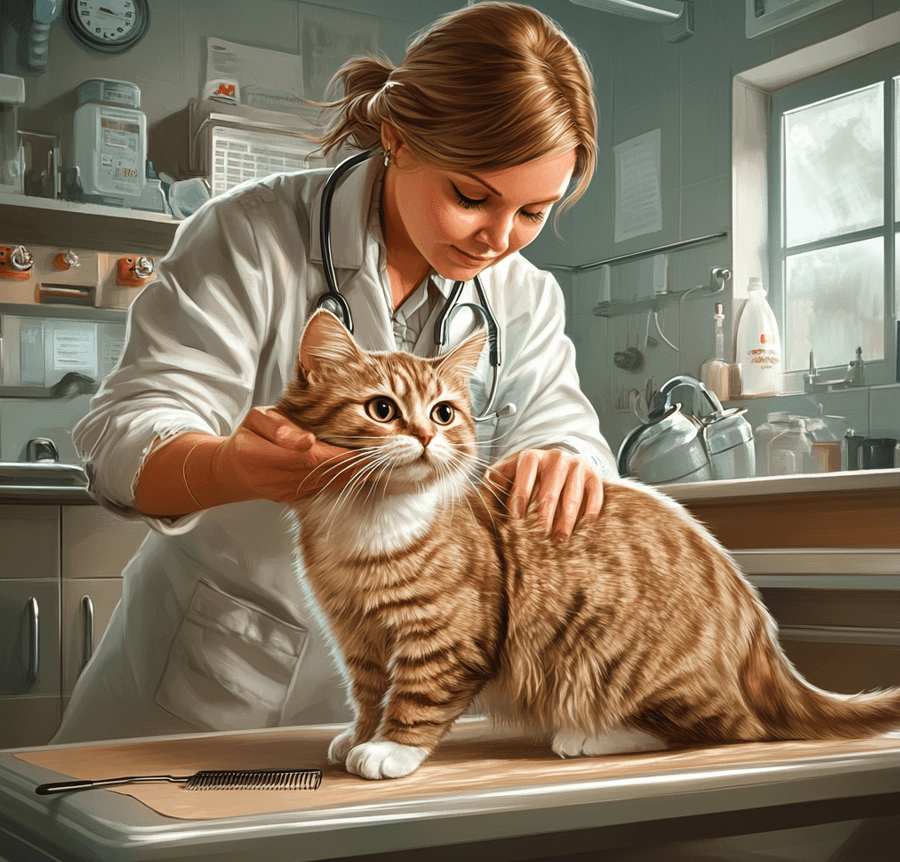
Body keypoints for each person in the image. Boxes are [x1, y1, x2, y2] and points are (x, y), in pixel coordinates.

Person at [52, 1, 616, 744]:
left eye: (534, 212)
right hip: (218, 680)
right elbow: (125, 435)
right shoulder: (252, 236)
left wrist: (567, 463)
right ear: (397, 136)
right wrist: (234, 467)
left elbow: (561, 426)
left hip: (422, 682)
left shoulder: (524, 295)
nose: (500, 240)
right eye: (472, 198)